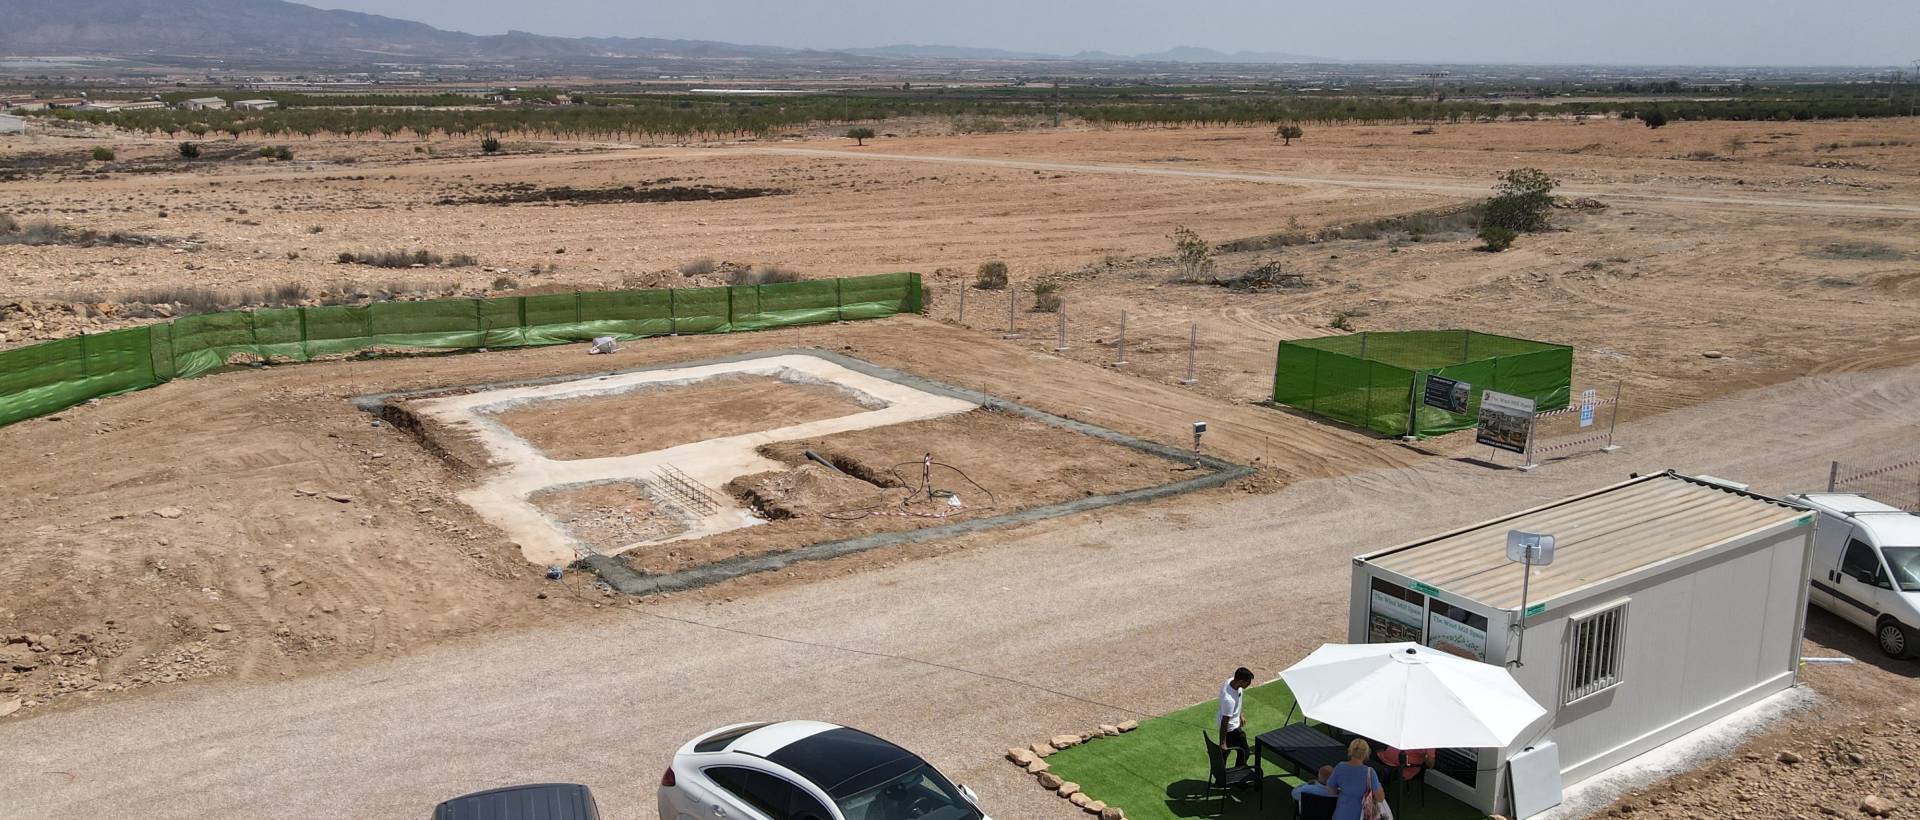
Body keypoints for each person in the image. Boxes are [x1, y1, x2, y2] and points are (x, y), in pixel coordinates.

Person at [1328, 738, 1386, 820]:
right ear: (1366, 753)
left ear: (1350, 751)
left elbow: (1331, 789)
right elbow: (1380, 798)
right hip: (1362, 815)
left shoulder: (1340, 767)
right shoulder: (1370, 773)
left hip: (1341, 813)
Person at [1216, 667, 1254, 767]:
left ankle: (1221, 778)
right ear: (1241, 681)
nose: (1249, 684)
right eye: (1248, 682)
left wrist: (1240, 714)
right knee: (1245, 751)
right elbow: (1225, 722)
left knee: (1224, 754)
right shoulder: (1229, 700)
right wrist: (1222, 743)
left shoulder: (1231, 682)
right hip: (1232, 729)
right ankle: (1238, 773)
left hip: (1232, 726)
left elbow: (1238, 697)